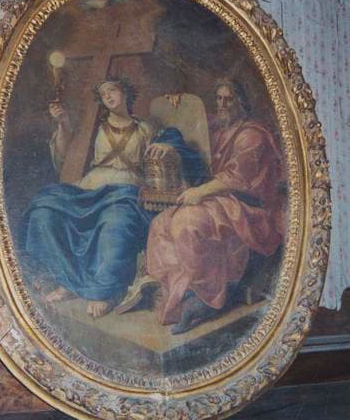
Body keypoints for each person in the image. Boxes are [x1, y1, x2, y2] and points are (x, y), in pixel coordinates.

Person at [19, 78, 205, 318]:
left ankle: (105, 292)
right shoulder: (92, 129)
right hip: (88, 191)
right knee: (44, 213)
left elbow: (170, 143)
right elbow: (66, 157)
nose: (108, 96)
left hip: (125, 192)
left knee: (116, 224)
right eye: (103, 93)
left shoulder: (144, 128)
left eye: (112, 90)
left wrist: (169, 146)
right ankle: (69, 282)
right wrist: (63, 123)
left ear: (125, 93)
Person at [146, 79, 284, 334]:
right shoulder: (219, 130)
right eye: (219, 98)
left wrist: (199, 192)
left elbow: (236, 178)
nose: (222, 104)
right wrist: (177, 103)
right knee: (161, 223)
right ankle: (182, 290)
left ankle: (207, 297)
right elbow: (184, 133)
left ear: (241, 103)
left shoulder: (251, 135)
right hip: (220, 201)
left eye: (228, 99)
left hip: (248, 209)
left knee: (188, 225)